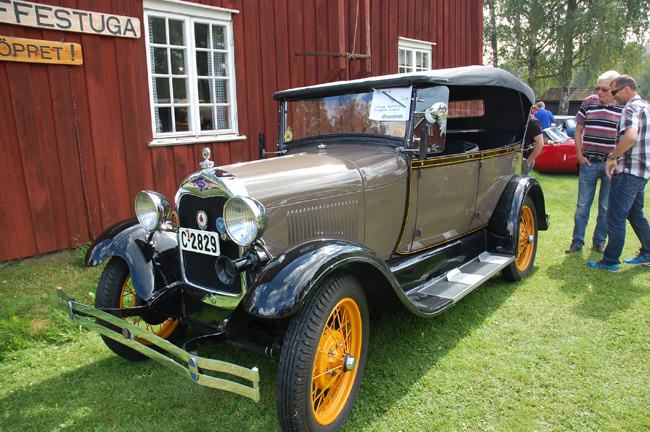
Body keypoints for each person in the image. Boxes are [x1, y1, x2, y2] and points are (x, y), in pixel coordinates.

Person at [588, 75, 650, 271]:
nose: (613, 97)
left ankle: (610, 261)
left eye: (614, 92)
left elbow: (630, 136)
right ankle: (648, 253)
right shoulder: (646, 107)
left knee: (615, 217)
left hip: (628, 172)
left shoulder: (630, 109)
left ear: (626, 89)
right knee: (635, 213)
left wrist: (612, 156)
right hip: (642, 172)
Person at [565, 71, 624, 254]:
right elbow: (578, 130)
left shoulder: (623, 106)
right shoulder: (589, 102)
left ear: (614, 88)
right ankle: (577, 241)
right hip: (589, 162)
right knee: (582, 206)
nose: (599, 92)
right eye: (597, 88)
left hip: (610, 164)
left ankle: (599, 241)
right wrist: (579, 155)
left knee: (605, 207)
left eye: (604, 89)